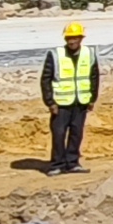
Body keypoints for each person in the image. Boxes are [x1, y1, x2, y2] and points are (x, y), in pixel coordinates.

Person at [41, 17, 98, 172]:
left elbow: (94, 77)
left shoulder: (89, 53)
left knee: (76, 133)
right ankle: (57, 164)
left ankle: (72, 163)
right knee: (59, 134)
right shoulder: (56, 55)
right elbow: (46, 79)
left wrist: (92, 99)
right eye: (69, 38)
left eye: (75, 38)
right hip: (61, 104)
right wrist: (50, 102)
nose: (71, 41)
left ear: (81, 38)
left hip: (80, 102)